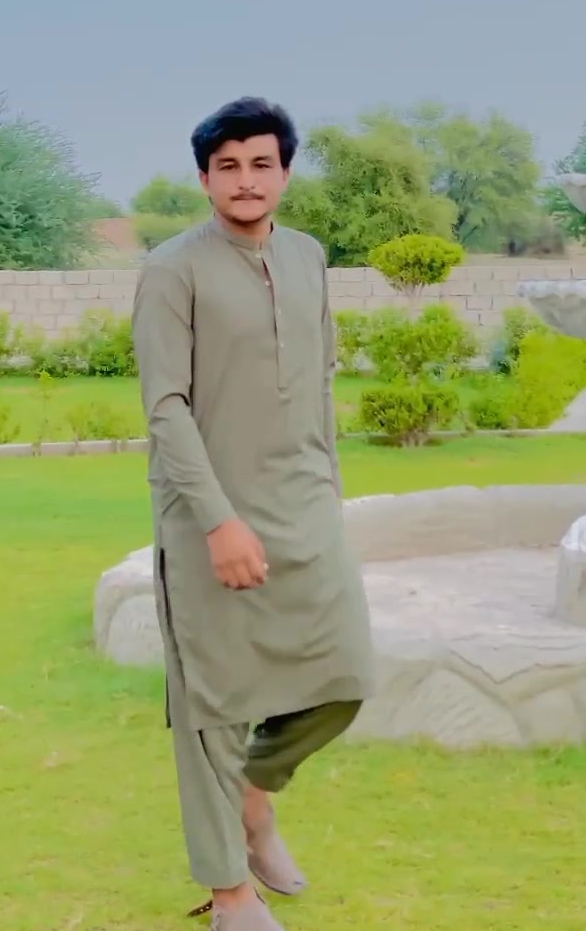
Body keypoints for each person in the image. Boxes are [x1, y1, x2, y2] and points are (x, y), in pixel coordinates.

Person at [132, 97, 375, 930]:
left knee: (346, 675)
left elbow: (321, 381)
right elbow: (165, 408)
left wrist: (328, 490)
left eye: (261, 163)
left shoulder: (308, 257)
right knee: (214, 707)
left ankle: (255, 794)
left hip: (303, 503)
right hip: (208, 513)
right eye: (228, 166)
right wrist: (217, 521)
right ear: (205, 179)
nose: (245, 180)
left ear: (285, 173)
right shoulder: (173, 270)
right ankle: (230, 892)